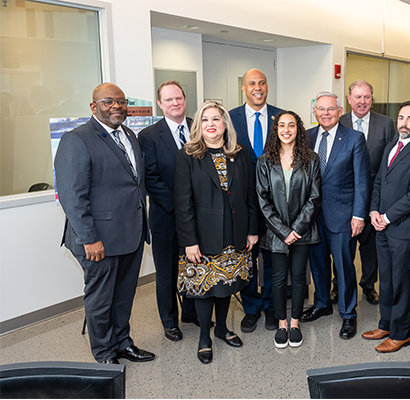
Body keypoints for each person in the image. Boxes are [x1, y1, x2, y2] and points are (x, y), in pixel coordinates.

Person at [54, 83, 154, 364]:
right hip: (98, 239)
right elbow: (72, 196)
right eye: (108, 101)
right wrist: (89, 239)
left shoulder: (129, 136)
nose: (116, 106)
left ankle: (123, 343)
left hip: (130, 233)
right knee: (101, 300)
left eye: (121, 101)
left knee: (123, 296)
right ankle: (104, 354)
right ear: (93, 106)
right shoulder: (77, 139)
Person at [174, 101, 259, 364]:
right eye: (206, 120)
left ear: (225, 124)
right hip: (202, 235)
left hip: (235, 232)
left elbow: (250, 196)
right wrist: (189, 241)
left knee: (227, 283)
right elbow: (183, 203)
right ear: (199, 125)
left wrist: (252, 230)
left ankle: (221, 328)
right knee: (204, 287)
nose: (211, 124)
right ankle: (204, 337)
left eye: (216, 119)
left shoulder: (241, 153)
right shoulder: (187, 155)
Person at [363, 101, 410, 353]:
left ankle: (401, 333)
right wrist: (374, 211)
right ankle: (385, 324)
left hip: (405, 230)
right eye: (401, 117)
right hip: (382, 227)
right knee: (387, 281)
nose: (404, 123)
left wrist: (386, 217)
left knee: (402, 283)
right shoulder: (391, 146)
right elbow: (378, 183)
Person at [301, 91, 370, 340]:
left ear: (340, 111)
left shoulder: (354, 138)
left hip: (342, 214)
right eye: (321, 109)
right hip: (312, 216)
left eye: (331, 109)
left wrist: (359, 215)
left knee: (343, 267)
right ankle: (322, 304)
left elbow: (362, 180)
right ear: (314, 112)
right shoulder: (306, 138)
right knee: (318, 265)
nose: (326, 113)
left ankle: (348, 313)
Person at [256, 111, 322, 348]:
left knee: (299, 277)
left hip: (302, 232)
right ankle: (281, 323)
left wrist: (296, 229)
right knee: (277, 278)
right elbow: (262, 201)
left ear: (298, 129)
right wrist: (283, 231)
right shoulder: (264, 161)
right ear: (276, 131)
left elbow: (314, 199)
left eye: (291, 125)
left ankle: (295, 323)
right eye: (281, 125)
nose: (286, 129)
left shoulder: (311, 159)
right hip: (276, 234)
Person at [139, 80, 198, 342]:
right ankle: (170, 321)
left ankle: (191, 311)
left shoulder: (199, 129)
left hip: (197, 218)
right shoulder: (149, 136)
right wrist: (182, 207)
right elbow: (151, 179)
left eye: (179, 98)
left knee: (193, 267)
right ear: (160, 104)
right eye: (169, 100)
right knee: (167, 273)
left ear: (185, 100)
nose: (175, 103)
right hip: (166, 217)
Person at [229, 68, 283, 333]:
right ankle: (251, 309)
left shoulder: (281, 117)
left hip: (276, 204)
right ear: (243, 88)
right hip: (243, 203)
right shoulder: (230, 119)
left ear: (267, 87)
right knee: (247, 258)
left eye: (262, 83)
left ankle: (273, 308)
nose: (257, 87)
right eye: (251, 83)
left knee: (274, 259)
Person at [338, 80, 396, 306]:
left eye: (367, 97)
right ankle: (338, 283)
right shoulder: (339, 121)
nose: (362, 102)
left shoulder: (385, 123)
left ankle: (369, 284)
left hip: (374, 193)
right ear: (349, 99)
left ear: (372, 98)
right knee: (343, 242)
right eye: (358, 97)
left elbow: (390, 159)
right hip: (344, 194)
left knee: (370, 244)